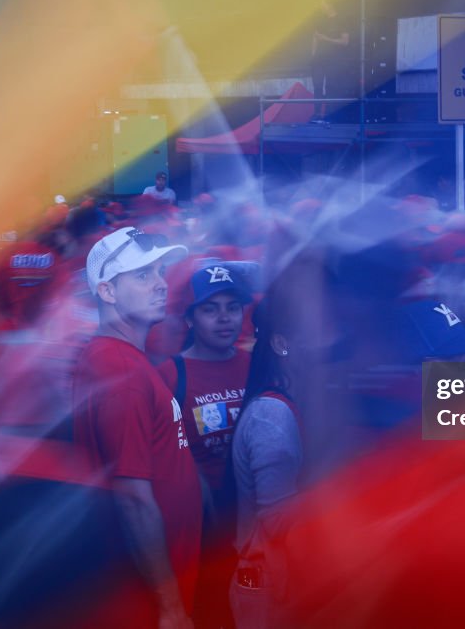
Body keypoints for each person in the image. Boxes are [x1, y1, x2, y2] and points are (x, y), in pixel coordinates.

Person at [72, 227, 201, 628]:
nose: (161, 284)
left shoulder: (119, 358)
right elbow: (131, 498)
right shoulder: (121, 370)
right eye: (143, 275)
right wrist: (170, 607)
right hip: (146, 597)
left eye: (161, 272)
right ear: (108, 292)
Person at [157, 262, 254, 629]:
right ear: (189, 319)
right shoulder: (169, 375)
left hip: (252, 526)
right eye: (210, 309)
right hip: (203, 533)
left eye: (232, 307)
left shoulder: (256, 365)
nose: (224, 318)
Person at [229, 296, 304, 629]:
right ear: (281, 343)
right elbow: (277, 521)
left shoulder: (278, 403)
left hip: (271, 582)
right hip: (267, 588)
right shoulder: (271, 415)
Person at [309, 0, 351, 123]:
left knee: (330, 87)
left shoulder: (342, 20)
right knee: (317, 86)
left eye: (323, 4)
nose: (321, 7)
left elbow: (345, 42)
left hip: (333, 59)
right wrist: (313, 56)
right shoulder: (320, 21)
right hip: (318, 60)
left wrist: (326, 39)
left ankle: (327, 114)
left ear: (330, 4)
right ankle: (316, 114)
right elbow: (315, 39)